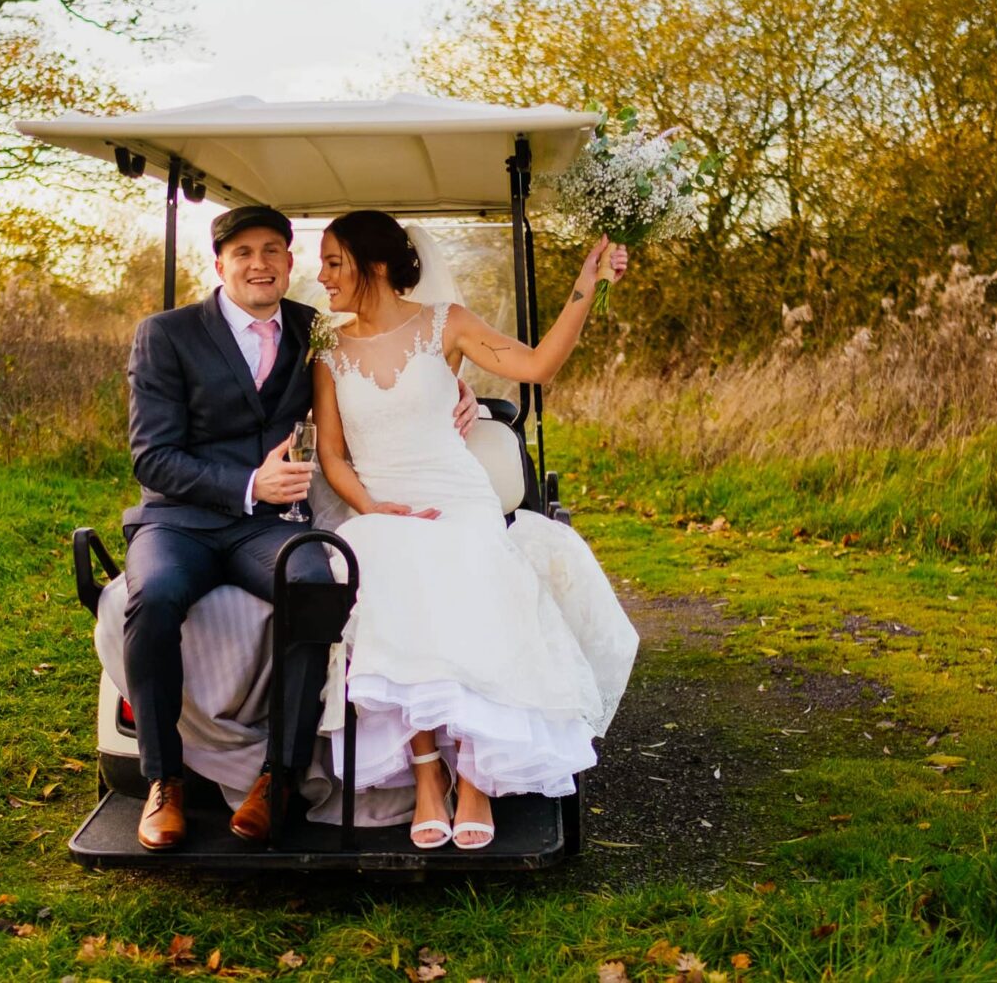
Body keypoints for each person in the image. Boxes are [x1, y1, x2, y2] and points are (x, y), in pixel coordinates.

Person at [122, 205, 477, 851]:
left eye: (271, 251)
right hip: (182, 521)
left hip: (270, 527)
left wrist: (455, 388)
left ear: (289, 262)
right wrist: (248, 483)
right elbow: (152, 457)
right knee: (153, 596)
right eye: (243, 253)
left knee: (315, 587)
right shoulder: (166, 334)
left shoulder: (315, 329)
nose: (258, 264)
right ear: (219, 264)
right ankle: (163, 780)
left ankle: (278, 779)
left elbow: (393, 365)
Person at [311, 210, 640, 849]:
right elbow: (332, 455)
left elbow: (538, 366)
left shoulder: (447, 323)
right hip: (381, 507)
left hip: (457, 498)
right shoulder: (327, 349)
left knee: (465, 562)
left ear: (373, 264)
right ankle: (428, 774)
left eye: (332, 262)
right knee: (386, 559)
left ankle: (476, 776)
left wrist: (587, 283)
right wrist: (372, 508)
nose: (321, 276)